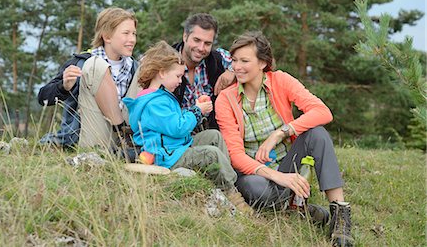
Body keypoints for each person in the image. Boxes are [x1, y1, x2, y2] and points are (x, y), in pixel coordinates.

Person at [215, 31, 353, 246]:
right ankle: (295, 206)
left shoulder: (281, 80)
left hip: (289, 163)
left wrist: (281, 132)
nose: (237, 67)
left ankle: (340, 217)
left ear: (262, 63)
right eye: (234, 61)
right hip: (256, 173)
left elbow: (323, 112)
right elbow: (235, 155)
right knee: (253, 188)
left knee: (317, 133)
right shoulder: (226, 99)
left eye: (244, 61)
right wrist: (277, 177)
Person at [123, 41, 252, 215]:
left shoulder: (161, 96)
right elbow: (177, 127)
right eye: (177, 76)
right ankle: (232, 193)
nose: (180, 81)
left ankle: (223, 181)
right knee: (210, 154)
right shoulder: (154, 103)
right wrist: (197, 111)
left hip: (176, 147)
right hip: (167, 157)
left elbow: (174, 123)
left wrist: (195, 109)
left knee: (214, 136)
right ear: (161, 73)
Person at [38, 7, 139, 156]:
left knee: (148, 68)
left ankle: (131, 143)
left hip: (126, 139)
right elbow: (43, 97)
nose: (132, 39)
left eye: (134, 34)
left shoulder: (134, 67)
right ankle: (120, 132)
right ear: (107, 36)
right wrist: (64, 86)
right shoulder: (82, 62)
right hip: (93, 136)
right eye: (126, 33)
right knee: (95, 65)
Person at [171, 13, 236, 130]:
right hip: (177, 135)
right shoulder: (165, 61)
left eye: (207, 43)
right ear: (185, 36)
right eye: (196, 40)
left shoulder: (218, 58)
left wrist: (232, 70)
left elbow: (255, 62)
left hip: (212, 130)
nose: (201, 48)